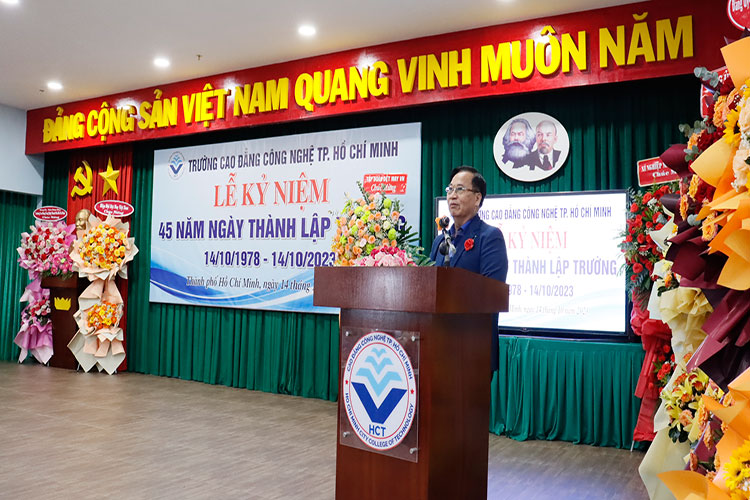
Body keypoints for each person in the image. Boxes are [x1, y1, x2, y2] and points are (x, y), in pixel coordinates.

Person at [430, 166, 508, 372]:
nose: (452, 196)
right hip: (437, 346)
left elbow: (492, 293)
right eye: (450, 189)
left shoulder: (489, 237)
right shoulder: (440, 241)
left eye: (460, 189)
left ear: (477, 198)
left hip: (473, 349)